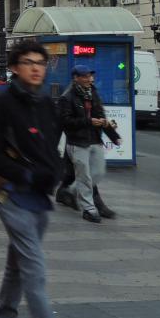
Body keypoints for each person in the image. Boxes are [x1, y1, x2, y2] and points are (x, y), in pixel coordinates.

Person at [0, 40, 103, 318]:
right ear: (15, 67)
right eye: (28, 62)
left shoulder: (47, 103)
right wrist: (26, 174)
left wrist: (57, 174)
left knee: (18, 262)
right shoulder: (0, 105)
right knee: (35, 272)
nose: (35, 67)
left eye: (40, 62)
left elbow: (51, 143)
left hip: (40, 197)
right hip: (10, 194)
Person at [57, 65, 121, 222]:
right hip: (77, 142)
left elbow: (101, 115)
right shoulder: (67, 97)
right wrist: (89, 121)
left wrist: (113, 136)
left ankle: (70, 191)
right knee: (84, 176)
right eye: (85, 77)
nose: (90, 79)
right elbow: (65, 122)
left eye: (90, 76)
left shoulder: (93, 93)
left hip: (95, 140)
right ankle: (89, 209)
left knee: (98, 172)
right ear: (76, 78)